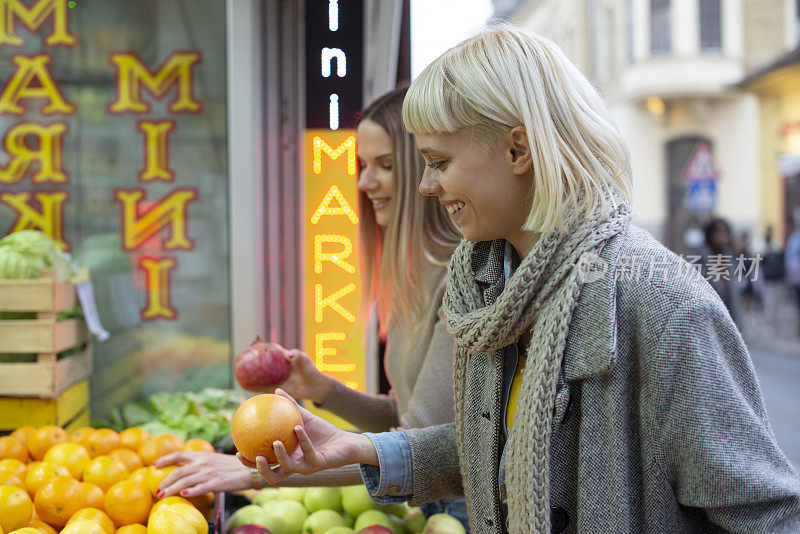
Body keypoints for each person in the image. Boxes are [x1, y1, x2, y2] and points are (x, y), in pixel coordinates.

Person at [250, 27, 800, 533]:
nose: (427, 187)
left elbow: (769, 515)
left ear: (517, 149)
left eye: (439, 161)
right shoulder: (488, 292)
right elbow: (497, 452)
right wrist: (356, 448)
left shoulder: (661, 304)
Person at [155, 87, 468, 526]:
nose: (363, 182)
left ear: (426, 171)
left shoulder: (462, 279)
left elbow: (413, 441)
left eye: (386, 166)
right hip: (425, 506)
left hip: (462, 514)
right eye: (362, 165)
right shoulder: (413, 274)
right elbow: (403, 415)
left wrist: (260, 476)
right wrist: (323, 390)